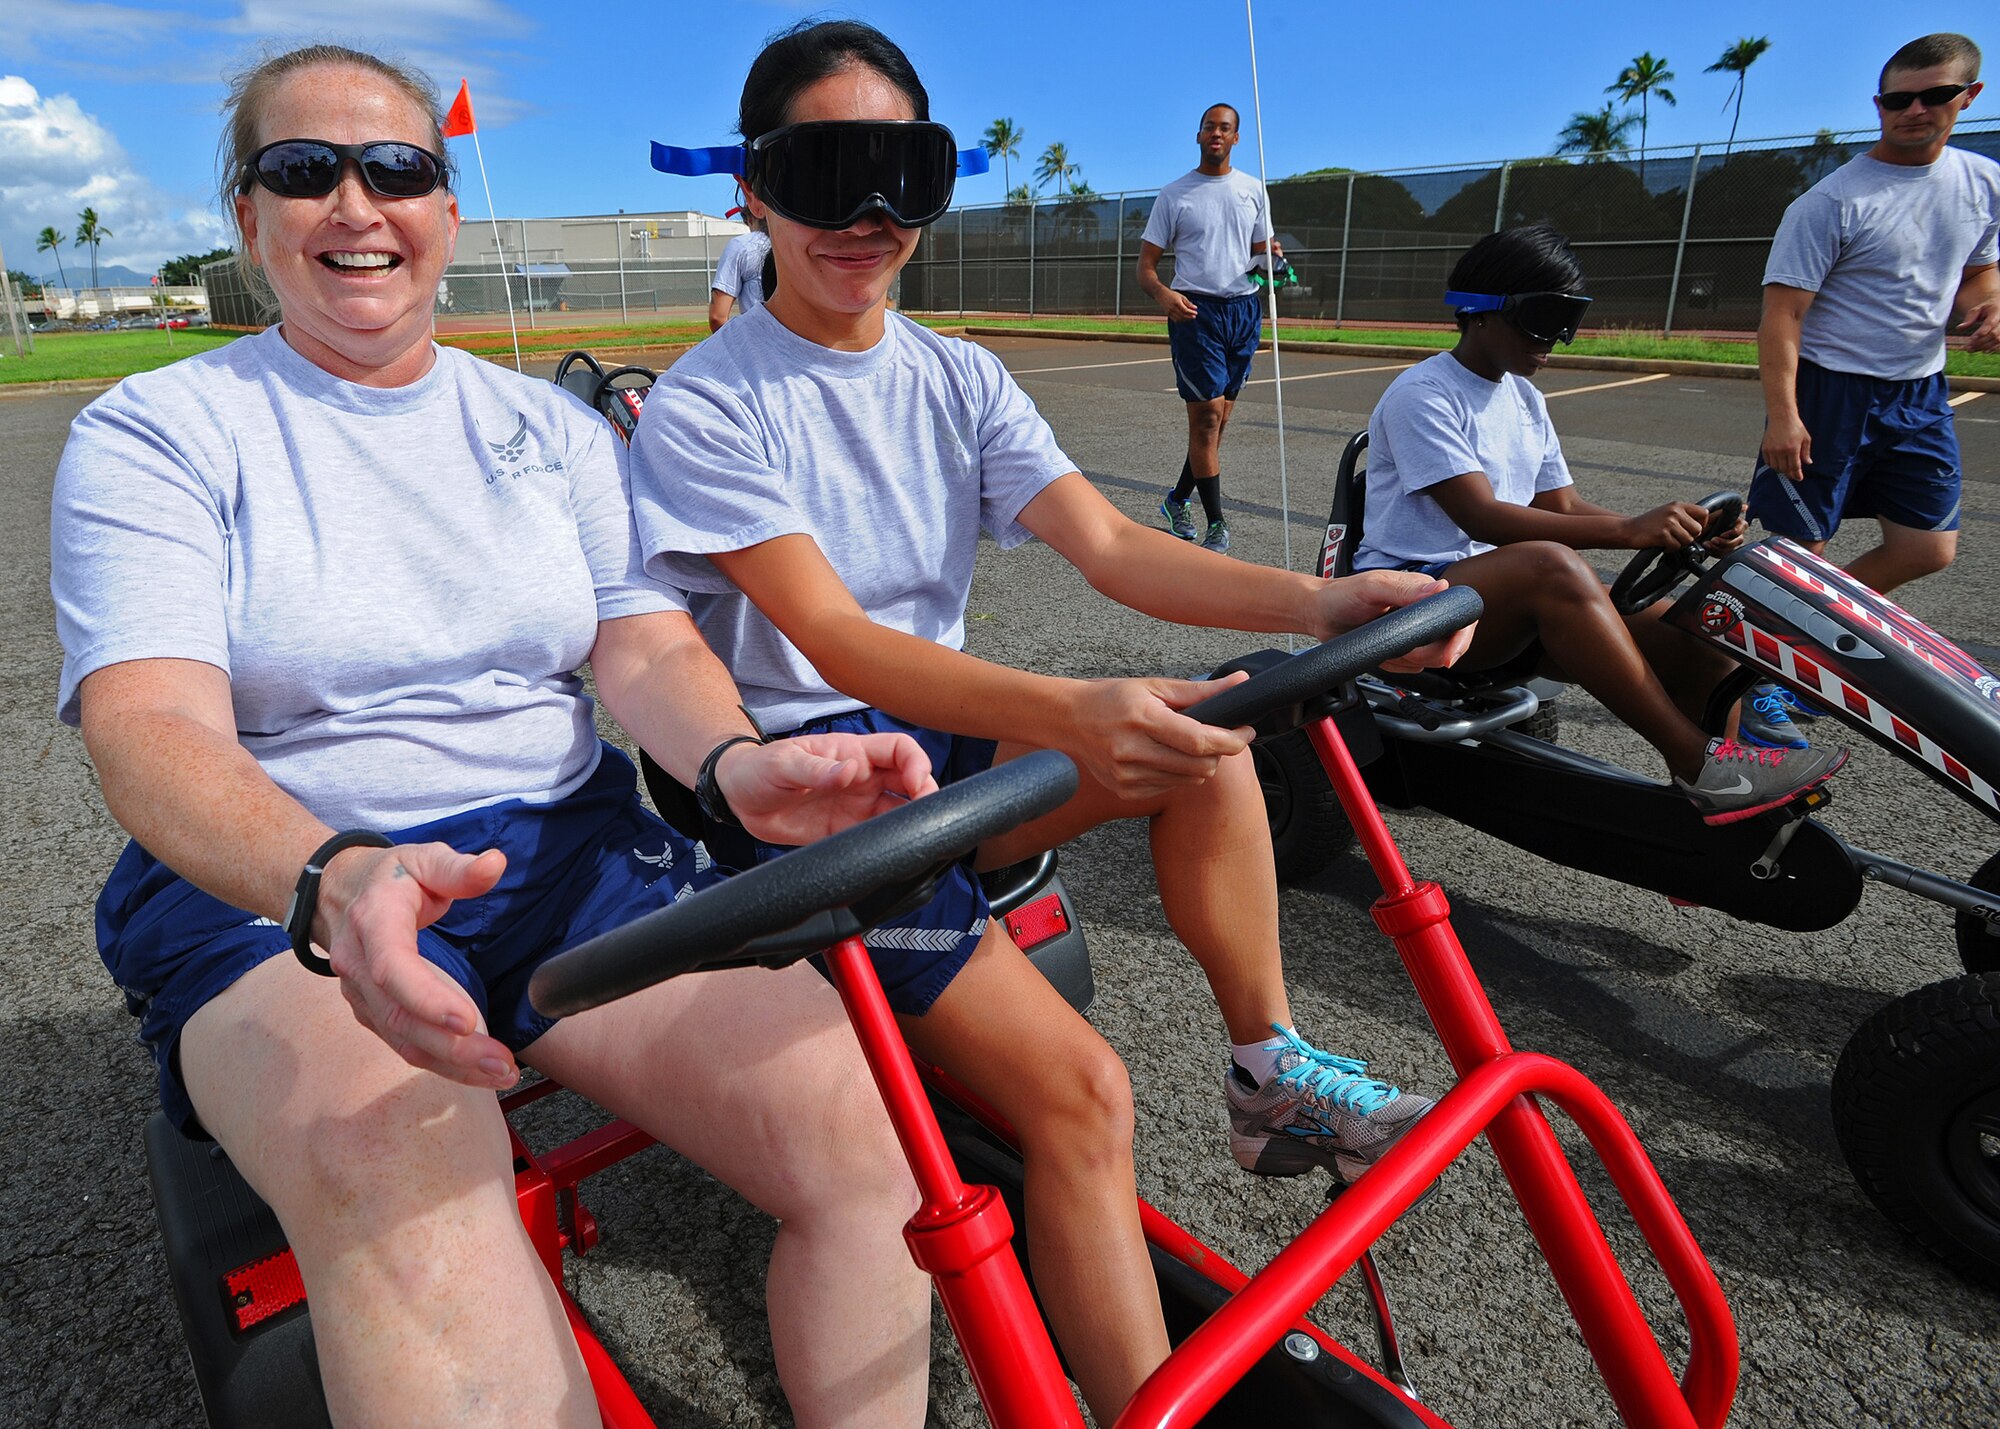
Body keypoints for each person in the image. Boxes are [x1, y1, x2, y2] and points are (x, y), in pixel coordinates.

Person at [49, 44, 935, 1429]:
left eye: (397, 168)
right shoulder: (157, 433)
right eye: (305, 170)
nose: (356, 204)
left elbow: (640, 644)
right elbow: (148, 727)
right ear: (248, 217)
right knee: (417, 1178)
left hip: (565, 851)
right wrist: (339, 880)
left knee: (864, 1135)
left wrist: (731, 763)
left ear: (446, 212)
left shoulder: (551, 431)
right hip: (281, 889)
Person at [625, 20, 1472, 1419]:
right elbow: (834, 640)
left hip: (938, 741)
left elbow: (1116, 548)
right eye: (826, 175)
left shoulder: (957, 375)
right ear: (754, 192)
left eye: (907, 175)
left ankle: (1269, 1073)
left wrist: (1326, 605)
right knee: (1082, 1094)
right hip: (804, 781)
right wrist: (1080, 708)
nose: (872, 217)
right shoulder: (714, 404)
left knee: (1206, 739)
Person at [1358, 224, 1849, 819]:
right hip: (1410, 602)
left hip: (1503, 603)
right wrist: (1626, 531)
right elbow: (1479, 514)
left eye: (1569, 321)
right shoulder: (1425, 394)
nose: (1558, 341)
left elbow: (1560, 506)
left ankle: (1712, 816)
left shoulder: (1525, 398)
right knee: (1552, 566)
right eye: (1545, 319)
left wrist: (1675, 525)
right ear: (1482, 311)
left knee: (1696, 633)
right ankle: (1701, 763)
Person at [1751, 31, 1999, 725]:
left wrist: (1988, 305)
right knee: (1796, 556)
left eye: (1934, 96)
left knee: (1926, 547)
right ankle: (1764, 681)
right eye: (1898, 99)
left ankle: (1804, 643)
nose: (1913, 110)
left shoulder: (1982, 183)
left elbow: (1980, 268)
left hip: (1919, 390)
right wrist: (1783, 415)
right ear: (1879, 103)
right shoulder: (1831, 203)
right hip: (1831, 391)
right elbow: (1781, 317)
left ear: (1968, 97)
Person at [1137, 102, 1282, 554]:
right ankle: (1217, 522)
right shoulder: (1175, 194)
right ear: (1198, 136)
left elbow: (1261, 259)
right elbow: (1145, 268)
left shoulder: (1253, 190)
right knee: (1206, 419)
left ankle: (1177, 498)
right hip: (1196, 314)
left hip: (1243, 313)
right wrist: (1165, 296)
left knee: (1216, 426)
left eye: (1225, 128)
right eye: (1208, 127)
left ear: (1236, 137)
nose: (1216, 134)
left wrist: (1273, 260)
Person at [709, 208, 772, 330]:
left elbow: (717, 317)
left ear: (750, 218)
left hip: (757, 340)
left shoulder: (741, 246)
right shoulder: (802, 243)